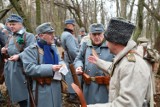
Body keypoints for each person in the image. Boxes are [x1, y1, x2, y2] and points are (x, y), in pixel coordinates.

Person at [87, 17, 152, 107]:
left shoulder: (131, 65)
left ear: (115, 42)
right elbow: (116, 69)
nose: (106, 44)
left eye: (108, 40)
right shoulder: (125, 60)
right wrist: (98, 62)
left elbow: (127, 104)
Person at [9, 22, 64, 107]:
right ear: (41, 36)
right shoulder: (30, 50)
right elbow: (29, 68)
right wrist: (51, 68)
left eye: (53, 33)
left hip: (56, 86)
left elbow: (60, 60)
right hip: (41, 89)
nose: (53, 35)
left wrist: (62, 65)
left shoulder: (53, 48)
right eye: (50, 33)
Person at [74, 23, 114, 104]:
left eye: (99, 34)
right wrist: (79, 66)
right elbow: (78, 59)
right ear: (90, 34)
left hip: (104, 88)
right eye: (94, 34)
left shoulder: (111, 46)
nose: (96, 37)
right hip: (88, 87)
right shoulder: (85, 44)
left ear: (104, 34)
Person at [1, 14, 36, 107]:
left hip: (22, 69)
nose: (11, 26)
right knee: (17, 94)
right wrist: (4, 49)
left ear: (20, 24)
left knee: (25, 95)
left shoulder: (28, 36)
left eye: (14, 24)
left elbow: (32, 52)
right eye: (10, 24)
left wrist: (19, 56)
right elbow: (10, 48)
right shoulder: (11, 37)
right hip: (11, 69)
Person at [60, 19, 79, 104]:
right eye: (73, 25)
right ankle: (72, 95)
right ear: (70, 25)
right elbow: (72, 50)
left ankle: (70, 94)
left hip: (67, 58)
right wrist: (78, 58)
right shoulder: (68, 35)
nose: (74, 27)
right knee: (72, 76)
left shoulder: (64, 34)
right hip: (71, 59)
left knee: (68, 76)